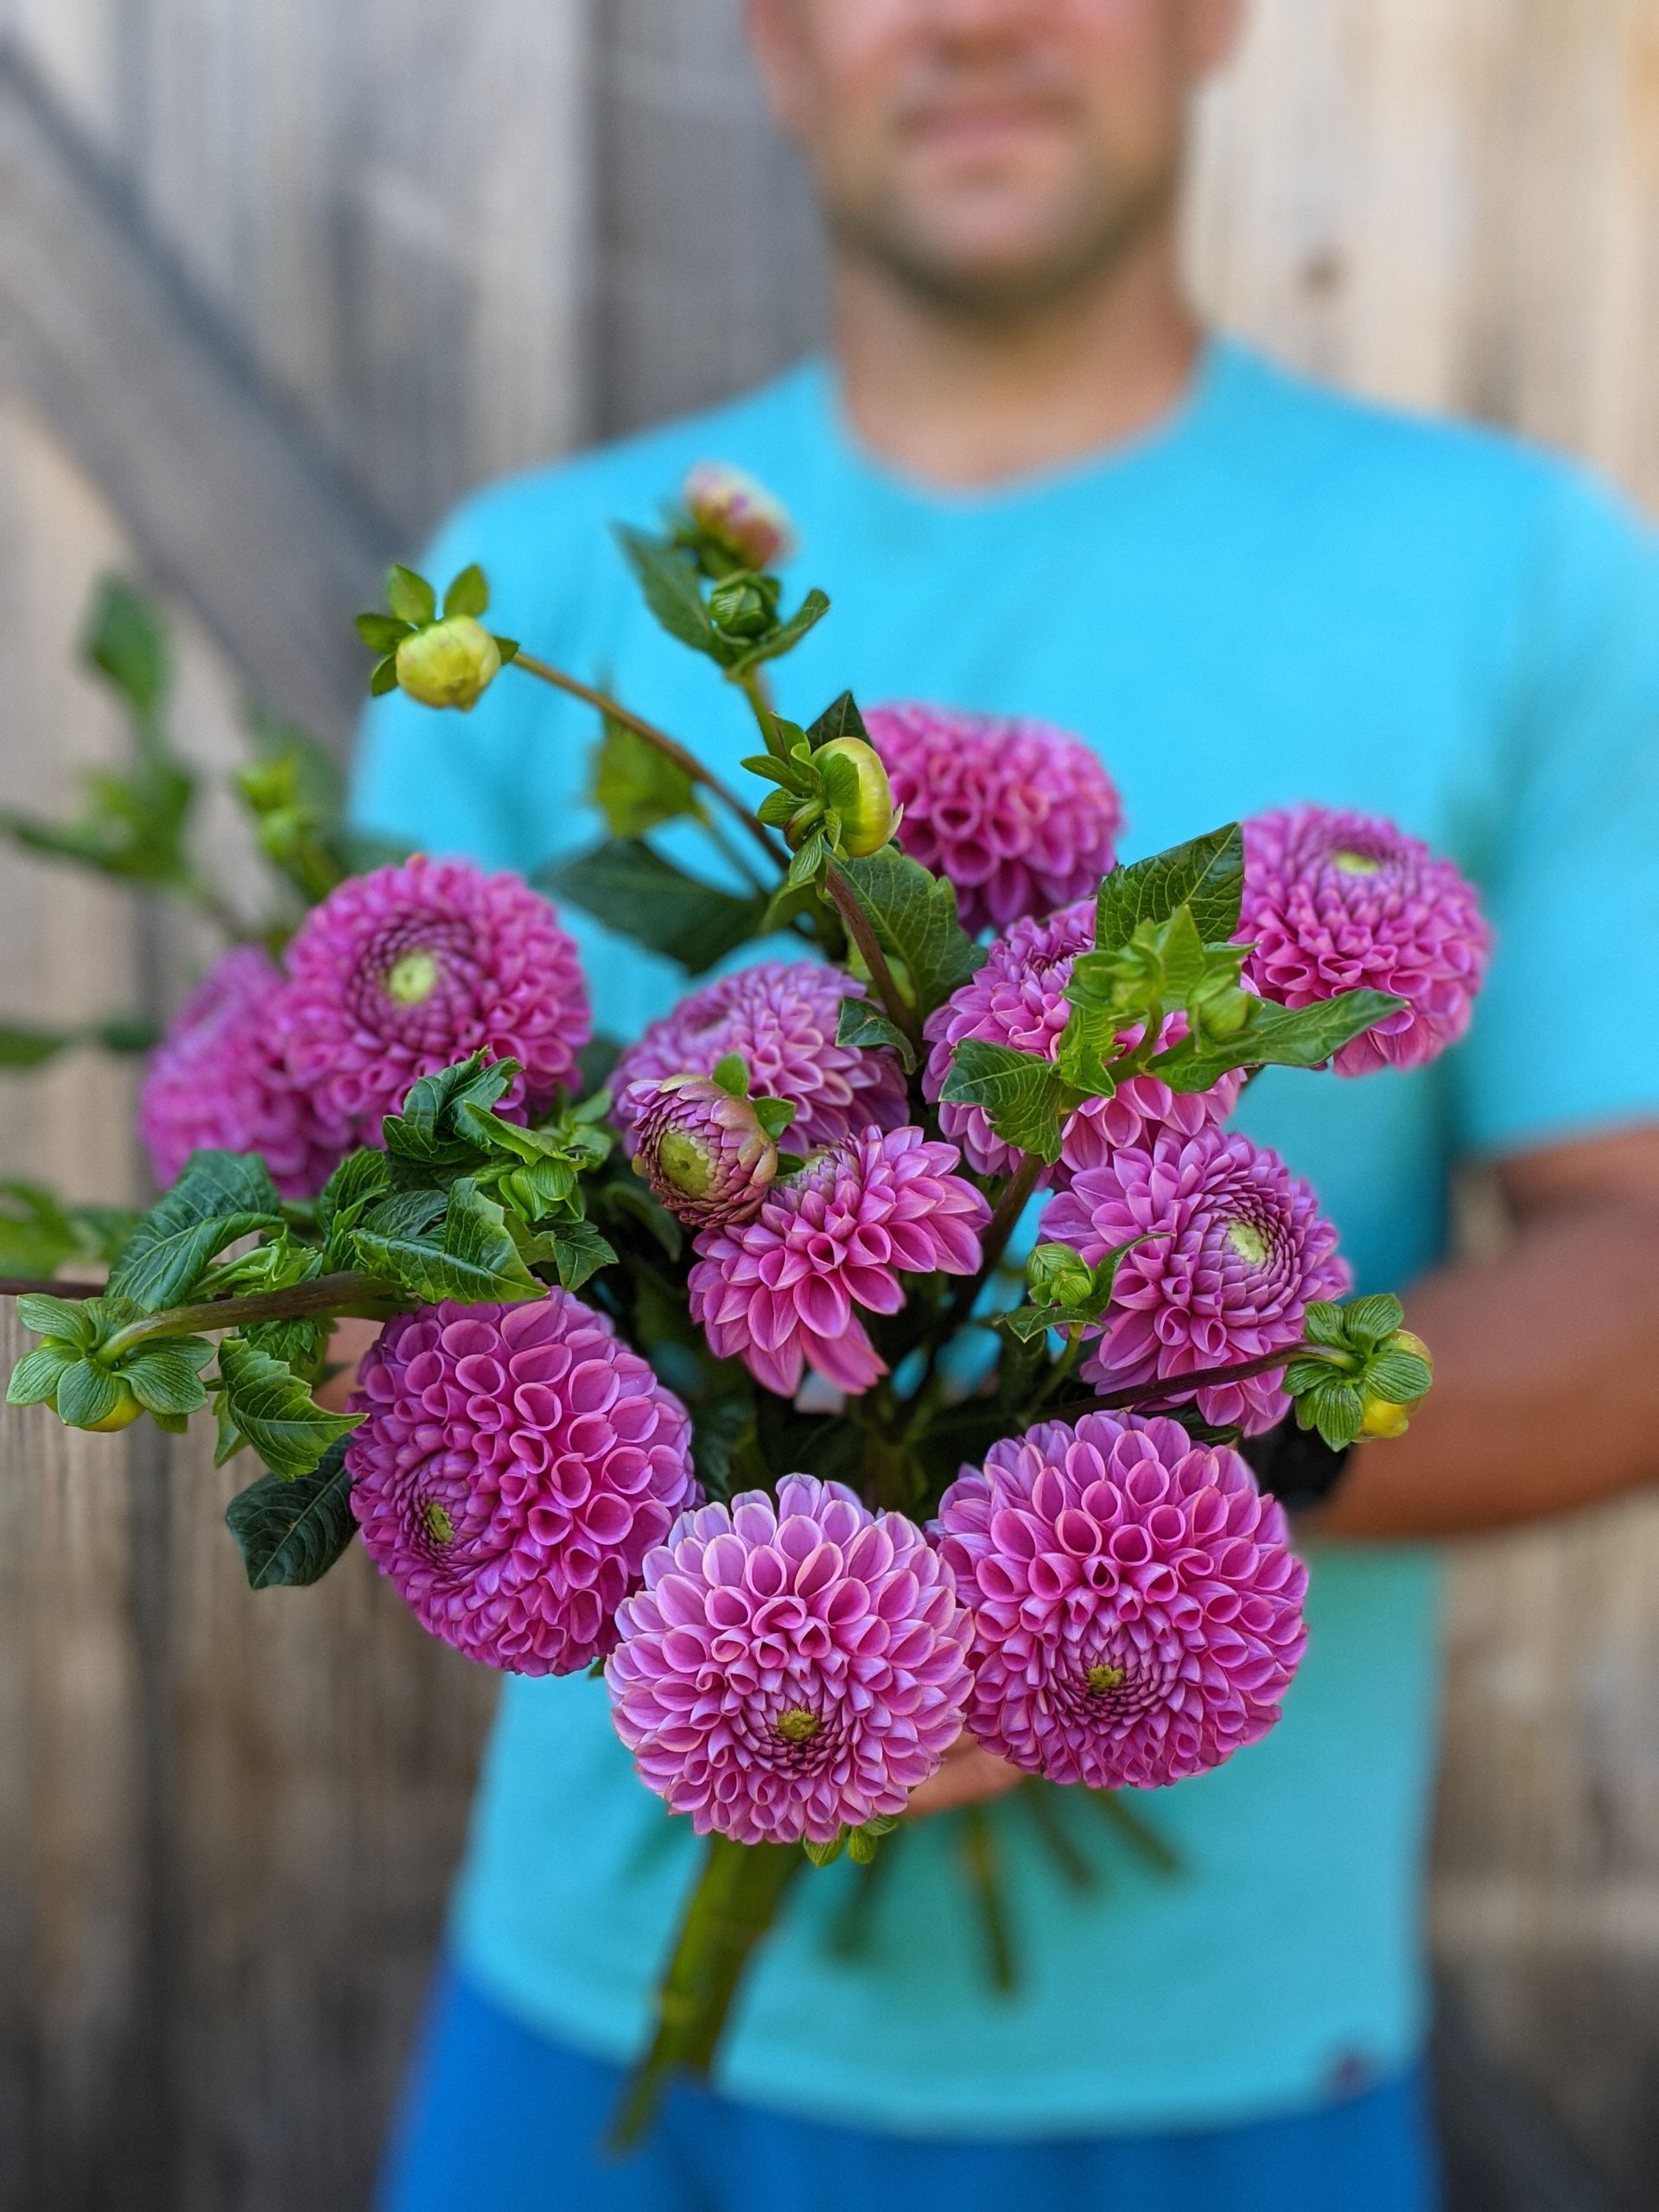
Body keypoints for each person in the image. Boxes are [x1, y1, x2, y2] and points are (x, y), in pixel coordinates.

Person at [351, 3, 1659, 2206]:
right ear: (775, 40)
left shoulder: (1528, 576)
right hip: (594, 2016)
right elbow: (371, 1245)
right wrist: (762, 1566)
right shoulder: (550, 584)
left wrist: (1125, 1532)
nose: (970, 17)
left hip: (1231, 2049)